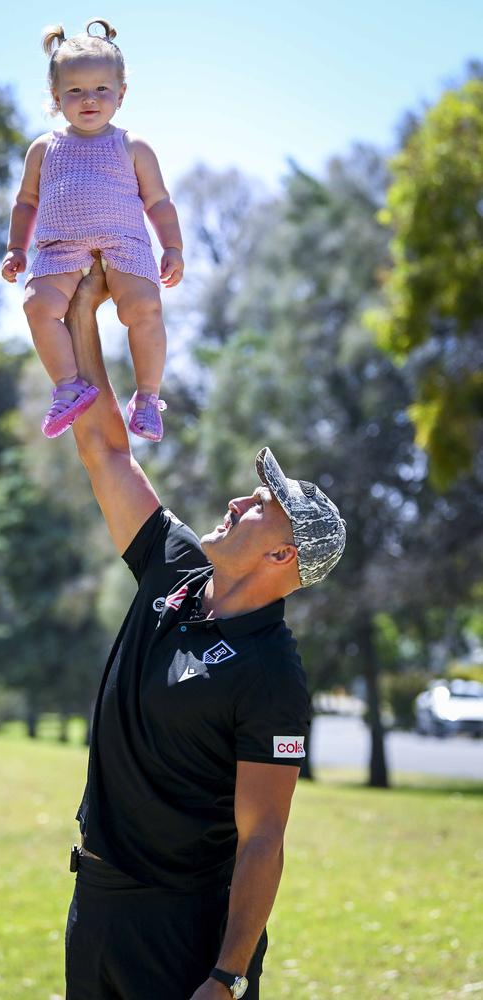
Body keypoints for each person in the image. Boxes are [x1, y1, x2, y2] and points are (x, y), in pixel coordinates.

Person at [59, 259, 347, 1000]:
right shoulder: (174, 567)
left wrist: (225, 976)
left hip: (182, 933)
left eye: (260, 507)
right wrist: (84, 319)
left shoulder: (272, 674)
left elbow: (263, 840)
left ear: (284, 555)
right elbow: (105, 449)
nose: (237, 502)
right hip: (96, 902)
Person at [1, 19, 183, 442]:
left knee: (145, 309)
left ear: (121, 93)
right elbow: (25, 201)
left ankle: (147, 397)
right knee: (36, 305)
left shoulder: (132, 146)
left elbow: (158, 201)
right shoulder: (44, 148)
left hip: (124, 244)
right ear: (56, 96)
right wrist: (16, 248)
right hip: (59, 248)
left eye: (102, 88)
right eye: (76, 90)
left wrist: (172, 246)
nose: (89, 99)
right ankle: (68, 385)